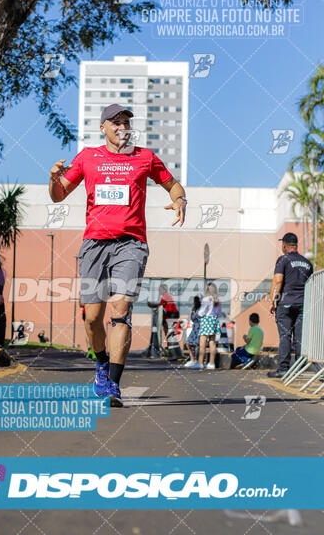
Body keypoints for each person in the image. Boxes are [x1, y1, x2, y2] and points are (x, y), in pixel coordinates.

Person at [49, 103, 187, 406]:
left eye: (125, 121)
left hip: (131, 243)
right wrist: (53, 179)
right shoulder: (87, 157)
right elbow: (60, 195)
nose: (121, 126)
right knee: (93, 317)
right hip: (95, 243)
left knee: (121, 309)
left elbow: (172, 184)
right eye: (115, 122)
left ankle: (113, 382)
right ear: (103, 129)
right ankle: (100, 363)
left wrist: (180, 200)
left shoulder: (145, 157)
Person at [267, 232, 313, 378]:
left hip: (286, 303)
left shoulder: (283, 259)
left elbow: (278, 281)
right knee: (299, 337)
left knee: (285, 336)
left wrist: (273, 300)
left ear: (285, 245)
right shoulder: (307, 263)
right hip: (303, 304)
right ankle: (299, 369)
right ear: (296, 245)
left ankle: (283, 369)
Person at [190, 282, 223, 370]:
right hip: (214, 320)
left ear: (207, 290)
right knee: (212, 342)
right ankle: (211, 363)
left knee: (202, 342)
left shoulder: (206, 299)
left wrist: (197, 315)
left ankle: (200, 363)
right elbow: (219, 312)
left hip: (206, 320)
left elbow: (201, 312)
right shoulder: (218, 299)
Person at [184, 296, 201, 368]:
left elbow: (198, 318)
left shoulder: (201, 309)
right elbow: (193, 319)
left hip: (199, 328)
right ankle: (193, 359)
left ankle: (198, 361)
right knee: (188, 344)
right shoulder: (194, 309)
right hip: (194, 328)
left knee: (198, 345)